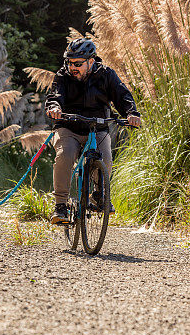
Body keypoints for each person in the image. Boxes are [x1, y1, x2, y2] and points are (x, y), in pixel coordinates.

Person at [45, 38, 141, 224]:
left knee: (105, 158)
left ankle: (98, 195)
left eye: (78, 64)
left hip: (98, 127)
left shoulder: (106, 75)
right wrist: (55, 108)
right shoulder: (63, 76)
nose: (73, 67)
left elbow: (122, 96)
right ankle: (60, 206)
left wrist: (131, 114)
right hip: (68, 126)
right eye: (69, 62)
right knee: (65, 155)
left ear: (91, 61)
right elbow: (55, 96)